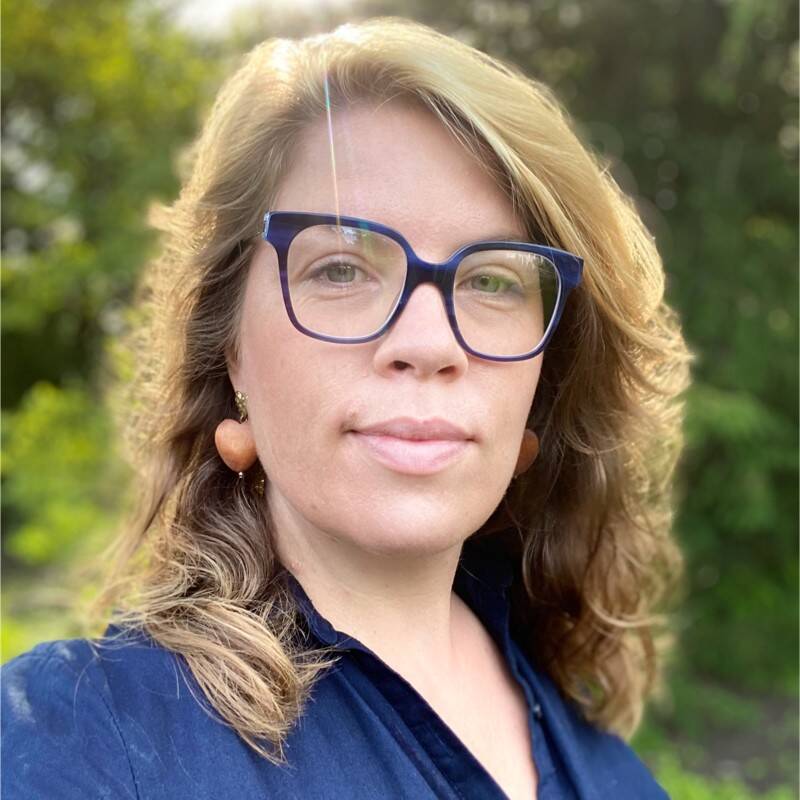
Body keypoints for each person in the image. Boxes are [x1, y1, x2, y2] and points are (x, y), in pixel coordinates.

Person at [1, 17, 692, 800]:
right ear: (230, 349)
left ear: (544, 377)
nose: (430, 343)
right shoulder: (79, 742)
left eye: (495, 280)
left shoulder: (614, 772)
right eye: (339, 269)